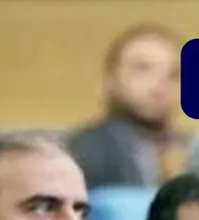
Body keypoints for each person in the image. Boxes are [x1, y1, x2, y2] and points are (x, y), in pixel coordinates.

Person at [68, 25, 181, 189]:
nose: (160, 83)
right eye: (143, 68)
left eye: (173, 74)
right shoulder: (81, 154)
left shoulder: (188, 156)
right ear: (108, 81)